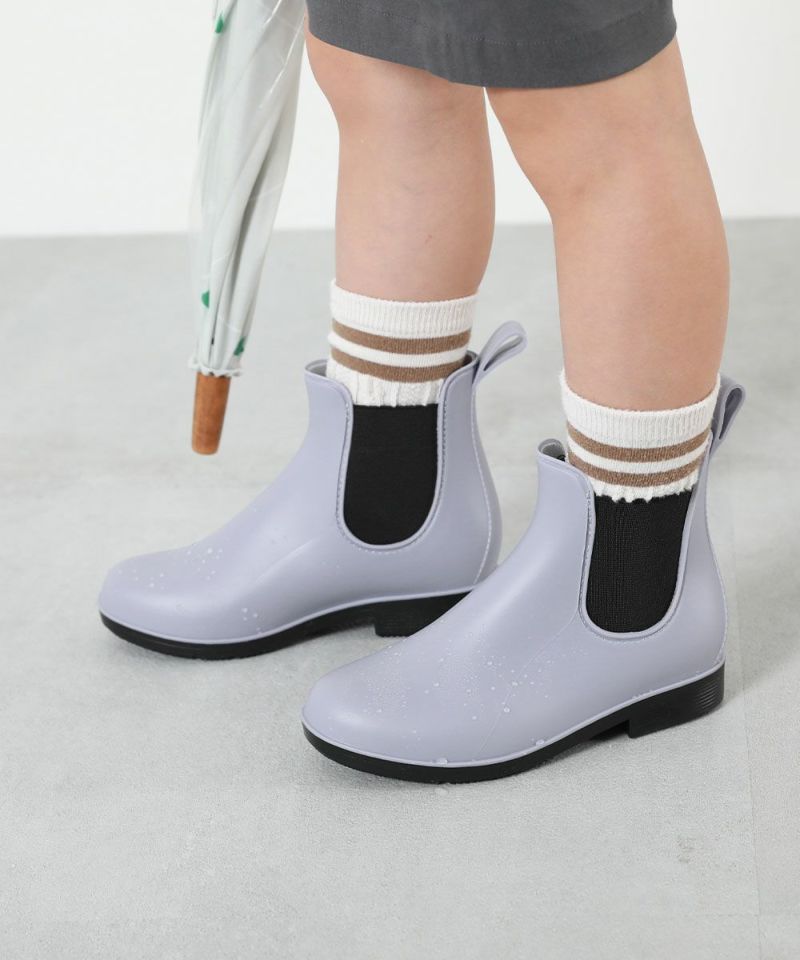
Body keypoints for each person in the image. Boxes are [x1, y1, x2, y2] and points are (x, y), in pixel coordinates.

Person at [99, 2, 744, 781]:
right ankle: (389, 503)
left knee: (584, 99)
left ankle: (632, 590)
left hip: (627, 593)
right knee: (376, 59)